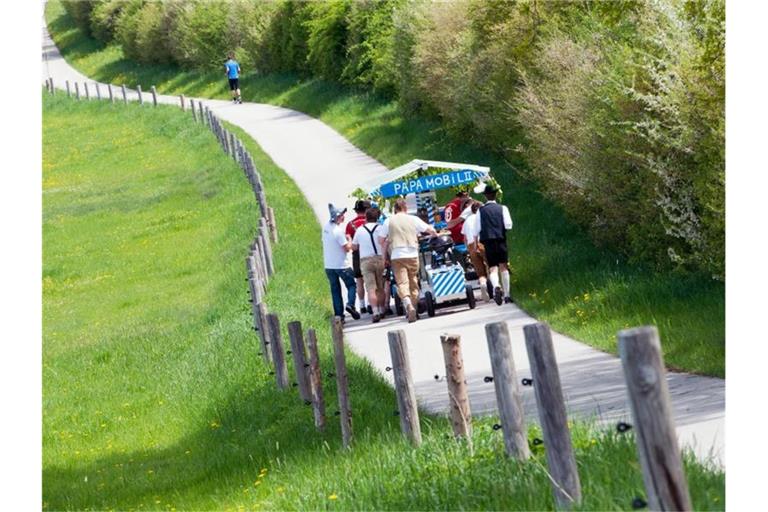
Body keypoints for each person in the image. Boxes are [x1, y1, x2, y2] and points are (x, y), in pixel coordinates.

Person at [381, 198, 437, 323]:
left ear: (394, 209)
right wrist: (435, 235)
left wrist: (385, 255)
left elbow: (381, 240)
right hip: (412, 253)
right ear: (405, 208)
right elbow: (430, 230)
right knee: (413, 281)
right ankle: (415, 309)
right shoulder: (413, 219)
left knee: (402, 283)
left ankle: (408, 305)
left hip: (397, 255)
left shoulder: (388, 221)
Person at [322, 203, 361, 321]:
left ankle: (339, 315)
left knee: (335, 290)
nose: (344, 217)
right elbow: (347, 248)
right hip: (341, 264)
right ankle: (350, 304)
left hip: (329, 265)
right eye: (343, 215)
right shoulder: (338, 232)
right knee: (351, 285)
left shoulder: (326, 228)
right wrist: (349, 239)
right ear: (338, 217)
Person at [477, 184, 514, 305]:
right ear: (496, 194)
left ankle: (496, 286)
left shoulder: (480, 210)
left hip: (488, 241)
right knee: (503, 266)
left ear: (485, 196)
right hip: (500, 239)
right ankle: (507, 295)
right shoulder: (503, 208)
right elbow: (508, 225)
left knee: (492, 267)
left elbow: (477, 228)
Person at [352, 207, 387, 323]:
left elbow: (354, 247)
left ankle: (375, 311)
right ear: (377, 217)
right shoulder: (381, 228)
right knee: (381, 287)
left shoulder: (360, 230)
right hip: (380, 259)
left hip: (366, 261)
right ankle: (382, 310)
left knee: (371, 289)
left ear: (366, 218)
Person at [461, 200, 490, 302]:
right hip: (482, 242)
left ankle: (482, 284)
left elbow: (464, 238)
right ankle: (494, 288)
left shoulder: (466, 221)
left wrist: (469, 249)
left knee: (480, 271)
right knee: (490, 266)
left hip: (471, 245)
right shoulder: (483, 218)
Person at [346, 199, 371, 314]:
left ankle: (362, 305)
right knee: (370, 280)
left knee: (359, 280)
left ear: (356, 211)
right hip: (369, 253)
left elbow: (349, 242)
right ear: (367, 210)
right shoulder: (370, 222)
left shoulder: (350, 225)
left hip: (357, 255)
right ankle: (371, 303)